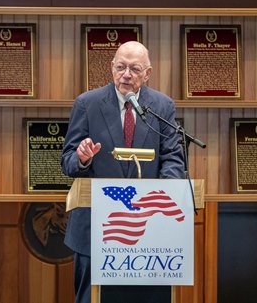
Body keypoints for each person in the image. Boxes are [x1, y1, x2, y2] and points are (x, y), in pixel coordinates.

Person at [61, 41, 185, 303]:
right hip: (95, 229)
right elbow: (68, 162)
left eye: (134, 69)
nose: (126, 74)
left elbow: (173, 157)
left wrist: (165, 192)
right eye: (120, 67)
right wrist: (82, 158)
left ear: (148, 73)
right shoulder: (87, 104)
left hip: (150, 232)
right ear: (111, 68)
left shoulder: (162, 107)